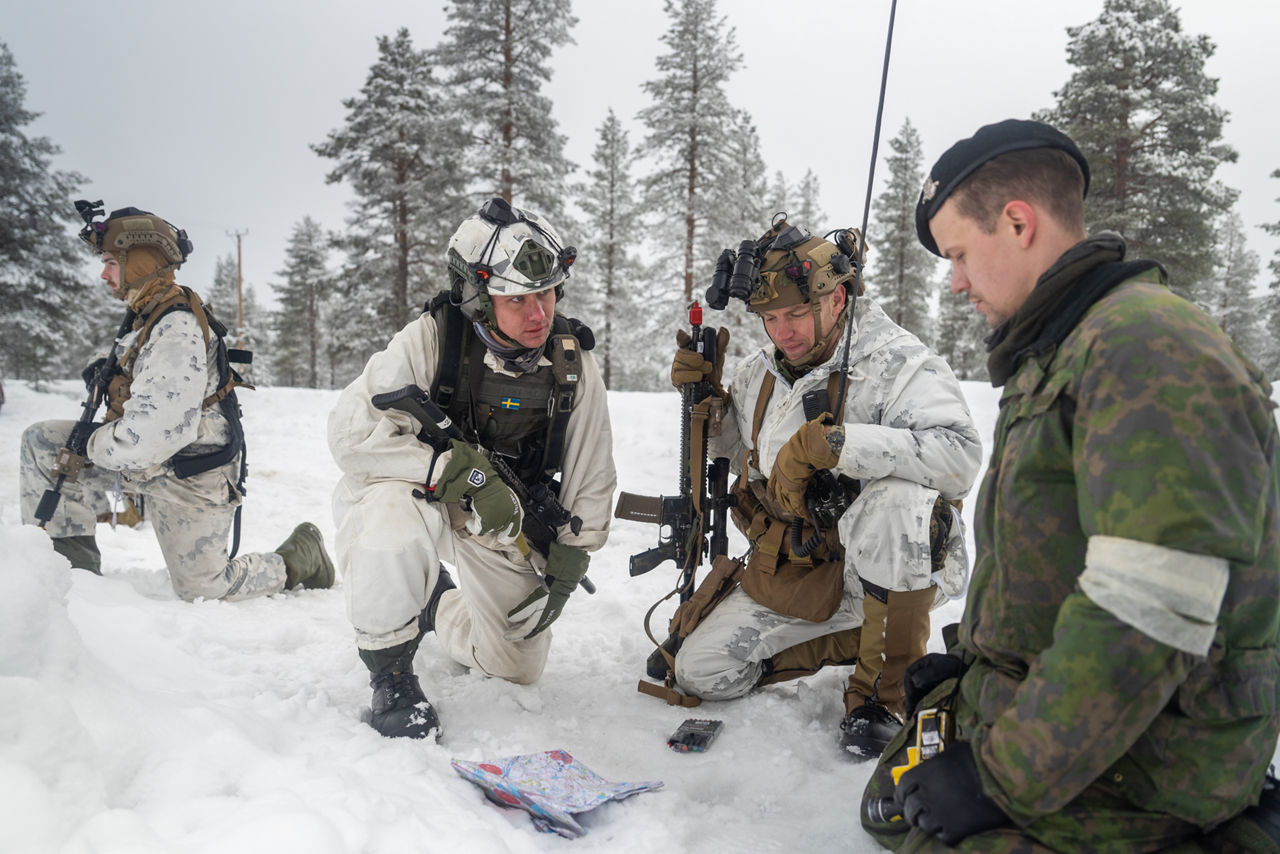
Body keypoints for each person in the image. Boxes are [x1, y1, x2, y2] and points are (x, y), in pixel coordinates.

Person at [861, 118, 1280, 852]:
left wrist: (998, 777)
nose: (956, 282)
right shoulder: (1069, 350)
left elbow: (1149, 611)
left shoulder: (1145, 348)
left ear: (1018, 222)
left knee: (933, 840)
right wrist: (974, 668)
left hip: (1153, 760)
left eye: (959, 253)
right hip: (1097, 715)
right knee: (894, 801)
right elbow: (1053, 555)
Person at [665, 217, 982, 755]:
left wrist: (840, 446)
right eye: (769, 318)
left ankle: (883, 696)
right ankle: (866, 641)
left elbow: (961, 456)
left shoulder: (900, 365)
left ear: (838, 298)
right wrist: (705, 409)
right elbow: (740, 457)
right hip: (798, 568)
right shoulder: (759, 373)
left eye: (796, 314)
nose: (783, 332)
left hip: (875, 567)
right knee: (701, 672)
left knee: (897, 500)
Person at [328, 197, 615, 742]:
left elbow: (591, 466)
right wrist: (446, 466)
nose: (540, 314)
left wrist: (573, 555)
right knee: (389, 520)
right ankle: (390, 673)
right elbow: (350, 436)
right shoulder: (431, 340)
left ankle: (438, 605)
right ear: (480, 299)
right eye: (520, 300)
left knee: (515, 665)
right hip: (421, 495)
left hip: (501, 521)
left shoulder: (572, 362)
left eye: (548, 293)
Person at [20, 203, 334, 600]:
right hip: (153, 464)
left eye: (110, 262)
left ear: (139, 261)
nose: (103, 273)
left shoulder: (176, 326)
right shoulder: (146, 314)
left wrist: (90, 443)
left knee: (204, 588)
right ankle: (71, 579)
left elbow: (151, 436)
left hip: (189, 474)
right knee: (44, 443)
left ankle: (301, 557)